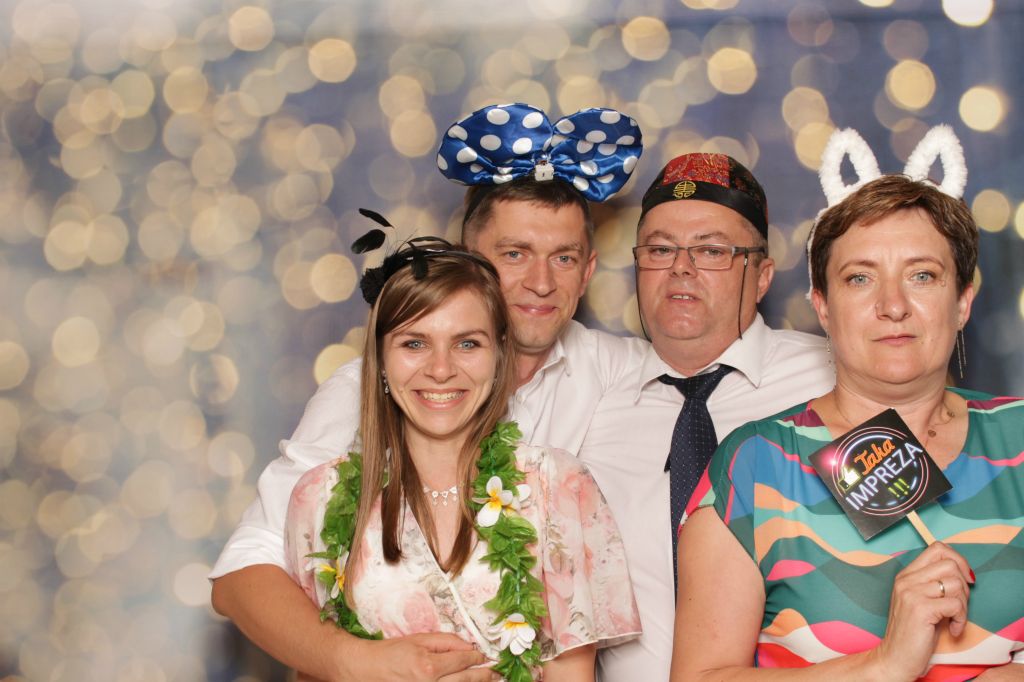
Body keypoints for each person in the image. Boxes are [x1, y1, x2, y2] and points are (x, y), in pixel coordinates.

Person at [210, 103, 649, 680]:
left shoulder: (621, 374)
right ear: (469, 260)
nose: (541, 282)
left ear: (587, 270)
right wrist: (358, 662)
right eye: (514, 254)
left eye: (563, 258)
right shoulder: (370, 389)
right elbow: (244, 572)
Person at [671, 126, 1024, 680]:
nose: (893, 305)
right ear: (823, 305)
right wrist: (884, 665)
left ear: (962, 302)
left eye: (922, 276)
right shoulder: (757, 466)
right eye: (860, 278)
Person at [283, 240, 640, 681]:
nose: (440, 369)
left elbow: (572, 676)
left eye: (467, 343)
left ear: (499, 355)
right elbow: (316, 668)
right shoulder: (321, 496)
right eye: (415, 343)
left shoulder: (557, 486)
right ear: (380, 359)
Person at [578, 152, 835, 680]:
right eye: (660, 249)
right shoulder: (592, 398)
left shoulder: (832, 378)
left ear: (762, 276)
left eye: (712, 250)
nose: (681, 267)